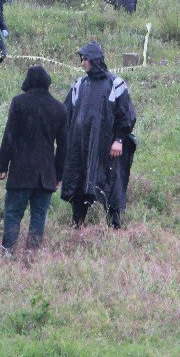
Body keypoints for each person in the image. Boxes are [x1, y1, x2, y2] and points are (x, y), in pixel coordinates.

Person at [61, 42, 137, 229]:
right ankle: (78, 222)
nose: (82, 63)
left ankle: (114, 224)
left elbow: (126, 114)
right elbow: (67, 112)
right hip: (81, 144)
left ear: (95, 60)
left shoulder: (115, 83)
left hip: (108, 145)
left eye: (85, 59)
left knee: (111, 181)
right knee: (79, 180)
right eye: (81, 59)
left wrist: (119, 140)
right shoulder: (79, 84)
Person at [0, 66, 68, 255]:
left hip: (21, 170)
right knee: (39, 216)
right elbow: (63, 146)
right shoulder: (59, 108)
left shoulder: (19, 102)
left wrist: (2, 165)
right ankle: (32, 255)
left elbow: (9, 135)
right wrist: (58, 174)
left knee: (13, 214)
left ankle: (8, 254)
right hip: (46, 173)